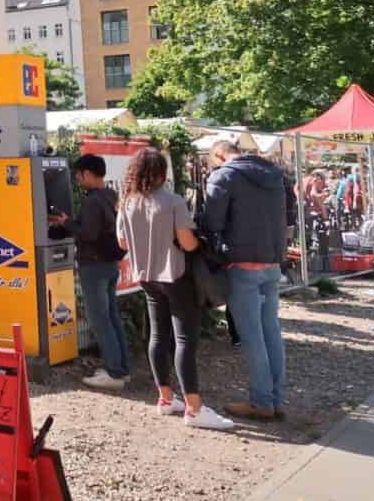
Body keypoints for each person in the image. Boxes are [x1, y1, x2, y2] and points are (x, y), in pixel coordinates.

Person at [117, 148, 235, 430]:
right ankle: (194, 409)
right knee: (184, 340)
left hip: (145, 276)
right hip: (176, 275)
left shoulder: (126, 203)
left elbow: (123, 244)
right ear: (161, 173)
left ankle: (166, 398)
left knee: (157, 335)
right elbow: (188, 243)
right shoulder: (173, 202)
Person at [203, 140, 291, 422]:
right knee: (271, 333)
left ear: (219, 155)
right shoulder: (274, 175)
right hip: (272, 263)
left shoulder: (224, 175)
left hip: (242, 265)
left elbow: (211, 222)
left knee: (252, 337)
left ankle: (262, 402)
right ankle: (276, 400)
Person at [50, 154, 129, 391]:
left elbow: (88, 234)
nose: (76, 180)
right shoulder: (110, 195)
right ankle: (121, 369)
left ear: (86, 173)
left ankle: (114, 373)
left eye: (78, 175)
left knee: (100, 319)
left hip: (93, 266)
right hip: (109, 265)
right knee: (112, 317)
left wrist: (66, 223)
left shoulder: (93, 201)